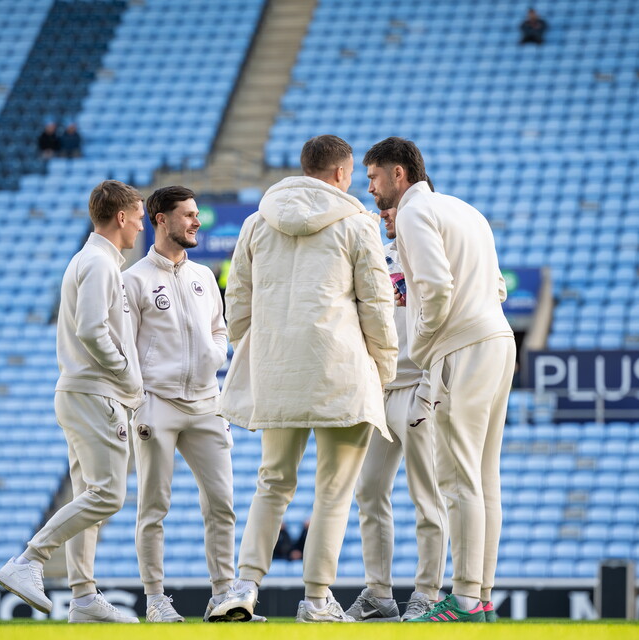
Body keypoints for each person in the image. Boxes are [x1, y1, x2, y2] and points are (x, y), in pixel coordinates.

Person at [210, 135, 398, 623]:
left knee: (272, 481)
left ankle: (244, 585)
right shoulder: (358, 223)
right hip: (342, 370)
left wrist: (259, 351)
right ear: (340, 173)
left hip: (278, 370)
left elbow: (239, 302)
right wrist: (385, 367)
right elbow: (376, 305)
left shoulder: (256, 222)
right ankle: (316, 599)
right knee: (334, 489)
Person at [364, 137, 515, 623]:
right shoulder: (465, 210)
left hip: (462, 347)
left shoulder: (412, 213)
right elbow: (498, 286)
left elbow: (434, 287)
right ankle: (482, 596)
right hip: (498, 338)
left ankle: (466, 599)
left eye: (374, 177)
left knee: (458, 477)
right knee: (483, 475)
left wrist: (425, 347)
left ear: (399, 174)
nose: (372, 189)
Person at [0, 179, 146, 624]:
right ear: (120, 217)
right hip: (95, 393)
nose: (140, 225)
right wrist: (125, 374)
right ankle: (29, 560)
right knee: (108, 495)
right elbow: (91, 329)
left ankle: (83, 598)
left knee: (88, 495)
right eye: (137, 216)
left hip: (80, 392)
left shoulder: (89, 259)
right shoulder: (100, 263)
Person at [121, 186, 236, 623]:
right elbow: (126, 349)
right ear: (159, 218)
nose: (196, 222)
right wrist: (141, 400)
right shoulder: (133, 280)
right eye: (187, 215)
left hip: (207, 403)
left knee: (222, 502)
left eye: (196, 214)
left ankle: (224, 595)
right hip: (157, 405)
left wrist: (215, 355)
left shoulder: (204, 276)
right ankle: (155, 600)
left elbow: (220, 330)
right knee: (154, 506)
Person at [344, 199, 449, 623]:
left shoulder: (435, 249)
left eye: (389, 210)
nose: (383, 214)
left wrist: (430, 385)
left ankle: (426, 593)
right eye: (383, 213)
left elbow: (482, 294)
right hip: (378, 390)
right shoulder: (379, 257)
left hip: (418, 388)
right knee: (368, 492)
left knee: (427, 497)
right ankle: (379, 595)